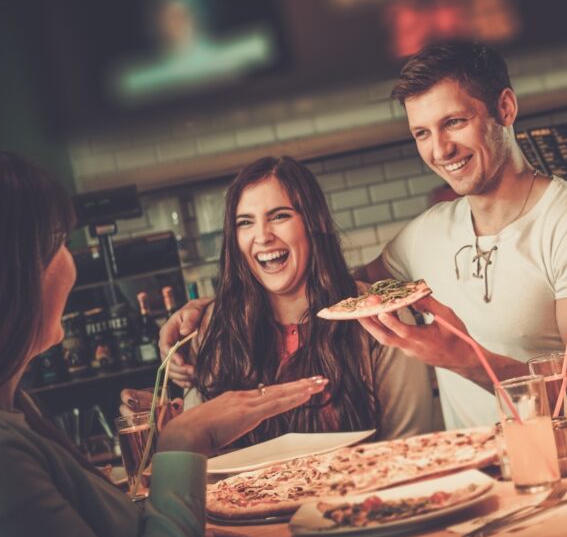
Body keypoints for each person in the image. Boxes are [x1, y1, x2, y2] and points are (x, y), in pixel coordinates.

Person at [160, 42, 567, 431]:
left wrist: (470, 362)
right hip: (486, 485)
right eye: (421, 133)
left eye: (454, 122)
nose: (440, 149)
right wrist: (209, 308)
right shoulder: (428, 234)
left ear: (506, 108)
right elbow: (333, 285)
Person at [0, 151, 325, 537]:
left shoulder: (14, 412)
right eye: (61, 244)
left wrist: (174, 528)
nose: (72, 263)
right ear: (9, 276)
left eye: (279, 216)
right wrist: (181, 442)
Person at [164, 156, 434, 444]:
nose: (262, 236)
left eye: (279, 216)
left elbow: (408, 445)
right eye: (245, 222)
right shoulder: (211, 328)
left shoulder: (381, 317)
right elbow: (198, 453)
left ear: (315, 222)